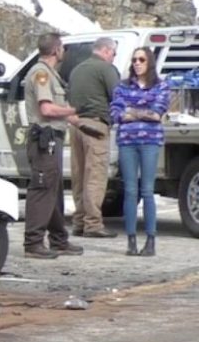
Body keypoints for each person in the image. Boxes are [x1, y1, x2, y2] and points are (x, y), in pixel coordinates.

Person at [23, 33, 86, 259]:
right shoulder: (41, 74)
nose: (64, 53)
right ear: (57, 50)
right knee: (42, 188)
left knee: (54, 189)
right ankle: (33, 242)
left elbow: (58, 111)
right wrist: (73, 110)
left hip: (52, 138)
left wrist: (86, 122)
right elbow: (47, 110)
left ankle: (59, 239)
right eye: (62, 49)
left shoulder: (51, 75)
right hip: (44, 139)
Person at [109, 46, 169, 257]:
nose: (137, 63)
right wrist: (142, 111)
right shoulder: (122, 86)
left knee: (147, 191)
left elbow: (157, 113)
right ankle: (131, 240)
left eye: (141, 59)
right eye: (134, 59)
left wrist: (132, 111)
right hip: (127, 142)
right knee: (131, 191)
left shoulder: (161, 86)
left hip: (150, 142)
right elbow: (116, 113)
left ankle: (151, 240)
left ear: (149, 62)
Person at [68, 37, 120, 238]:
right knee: (95, 176)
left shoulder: (77, 70)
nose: (113, 58)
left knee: (79, 175)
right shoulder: (106, 69)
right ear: (106, 50)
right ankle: (93, 224)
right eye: (113, 54)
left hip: (76, 126)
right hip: (96, 125)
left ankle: (79, 221)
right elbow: (117, 96)